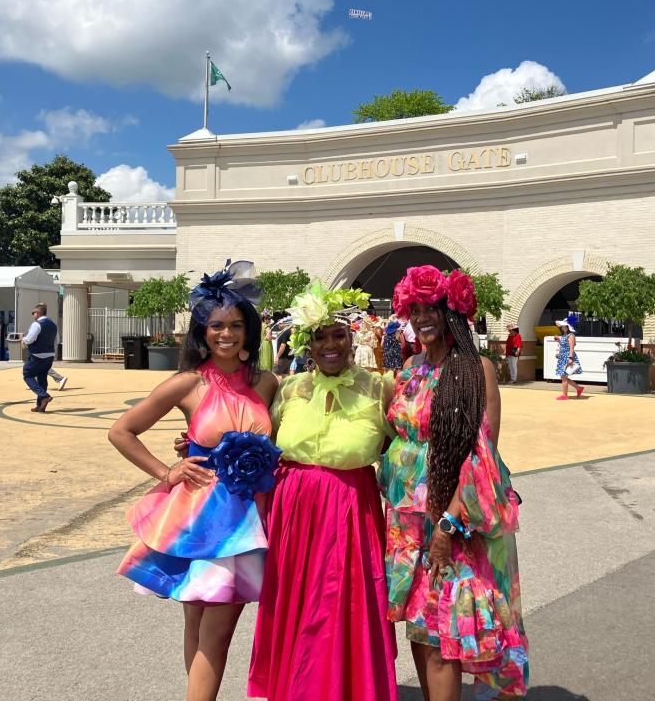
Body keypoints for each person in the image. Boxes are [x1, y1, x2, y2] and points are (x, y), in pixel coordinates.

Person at [111, 262, 279, 701]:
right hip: (198, 516)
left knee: (212, 629)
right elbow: (121, 431)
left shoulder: (267, 383)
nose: (226, 334)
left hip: (247, 520)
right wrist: (167, 471)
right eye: (216, 325)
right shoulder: (187, 383)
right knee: (203, 626)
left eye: (236, 325)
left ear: (250, 330)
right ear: (202, 331)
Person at [381, 265, 529, 700]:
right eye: (417, 309)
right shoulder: (410, 367)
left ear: (454, 313)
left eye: (434, 309)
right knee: (418, 623)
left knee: (445, 625)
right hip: (403, 521)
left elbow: (481, 456)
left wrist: (448, 524)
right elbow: (390, 434)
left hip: (448, 517)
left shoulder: (473, 368)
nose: (424, 318)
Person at [249, 280, 398, 701]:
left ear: (353, 340)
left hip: (352, 508)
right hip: (295, 511)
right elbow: (258, 442)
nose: (330, 344)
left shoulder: (379, 388)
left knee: (343, 603)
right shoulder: (290, 388)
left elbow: (403, 447)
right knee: (297, 601)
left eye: (339, 335)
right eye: (319, 336)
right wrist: (200, 448)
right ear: (307, 344)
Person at [21, 303, 58, 412]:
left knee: (27, 374)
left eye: (33, 313)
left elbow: (30, 339)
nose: (33, 315)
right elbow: (57, 340)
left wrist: (23, 340)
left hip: (38, 355)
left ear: (37, 313)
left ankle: (44, 395)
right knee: (42, 378)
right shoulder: (53, 325)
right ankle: (40, 405)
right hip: (50, 355)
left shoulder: (37, 324)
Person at [554, 313, 585, 400]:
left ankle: (565, 395)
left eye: (564, 326)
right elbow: (564, 346)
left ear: (568, 327)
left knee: (563, 377)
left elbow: (571, 348)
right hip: (563, 357)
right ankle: (578, 388)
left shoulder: (571, 335)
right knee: (563, 376)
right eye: (562, 326)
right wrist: (559, 341)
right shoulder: (564, 335)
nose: (562, 327)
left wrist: (570, 359)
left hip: (567, 357)